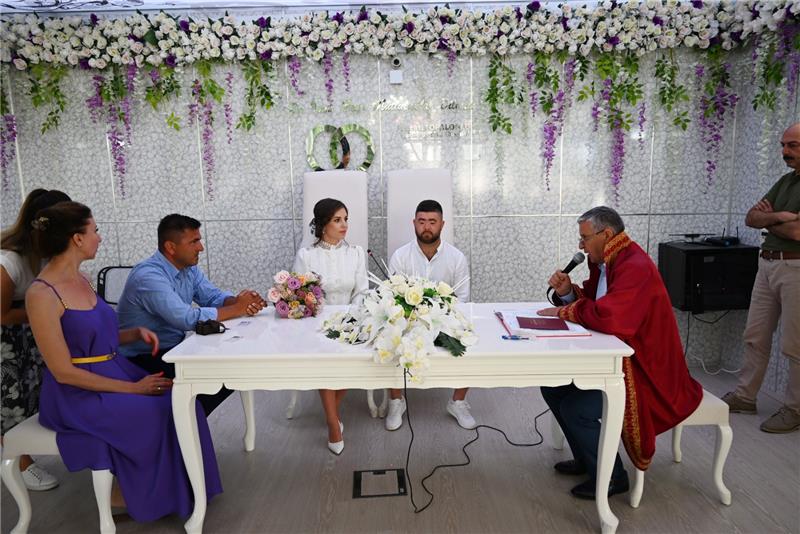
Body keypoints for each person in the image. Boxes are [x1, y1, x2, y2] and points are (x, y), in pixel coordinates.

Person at [25, 202, 222, 521]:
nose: (99, 237)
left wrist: (132, 334)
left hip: (113, 371)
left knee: (183, 401)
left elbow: (89, 334)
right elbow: (63, 372)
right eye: (95, 230)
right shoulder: (42, 294)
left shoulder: (82, 279)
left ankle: (182, 492)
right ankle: (135, 495)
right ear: (77, 238)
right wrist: (134, 389)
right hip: (75, 394)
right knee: (159, 410)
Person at [537, 206, 702, 500]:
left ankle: (613, 478)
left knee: (576, 409)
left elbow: (612, 318)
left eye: (585, 238)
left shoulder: (634, 266)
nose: (581, 246)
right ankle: (587, 459)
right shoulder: (610, 261)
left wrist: (565, 311)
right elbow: (597, 303)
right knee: (553, 387)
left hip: (644, 370)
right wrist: (566, 294)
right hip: (621, 358)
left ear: (607, 234)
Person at [116, 213, 266, 415]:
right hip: (141, 359)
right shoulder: (148, 276)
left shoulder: (188, 269)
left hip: (174, 349)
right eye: (194, 242)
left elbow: (212, 297)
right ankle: (182, 422)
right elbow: (186, 319)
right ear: (171, 247)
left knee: (234, 369)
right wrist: (239, 308)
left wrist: (241, 302)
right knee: (222, 375)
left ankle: (188, 420)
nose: (201, 248)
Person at [722, 123, 800, 433]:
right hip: (768, 264)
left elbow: (797, 232)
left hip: (795, 267)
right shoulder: (786, 181)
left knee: (795, 344)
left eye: (793, 146)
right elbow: (751, 218)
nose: (785, 152)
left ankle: (795, 409)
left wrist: (769, 220)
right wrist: (779, 217)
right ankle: (745, 396)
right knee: (755, 335)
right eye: (783, 145)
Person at [1, 188, 70, 491]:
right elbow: (1, 314)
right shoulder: (9, 261)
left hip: (27, 331)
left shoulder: (47, 256)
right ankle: (21, 463)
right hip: (6, 335)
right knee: (10, 397)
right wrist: (43, 312)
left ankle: (23, 450)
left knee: (34, 390)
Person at [384, 199, 472, 431]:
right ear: (414, 223)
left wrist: (442, 318)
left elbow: (462, 299)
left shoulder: (457, 258)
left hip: (445, 320)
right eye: (422, 221)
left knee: (469, 339)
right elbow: (393, 297)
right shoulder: (401, 256)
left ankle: (458, 402)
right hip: (409, 321)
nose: (427, 227)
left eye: (432, 222)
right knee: (391, 335)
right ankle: (396, 401)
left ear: (442, 224)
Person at [293, 198, 368, 454]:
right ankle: (333, 423)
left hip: (350, 321)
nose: (344, 225)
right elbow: (301, 295)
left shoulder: (355, 253)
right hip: (316, 324)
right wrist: (320, 317)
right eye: (337, 220)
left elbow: (362, 291)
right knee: (325, 358)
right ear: (324, 224)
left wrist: (351, 318)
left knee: (353, 358)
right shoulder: (306, 255)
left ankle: (331, 413)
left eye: (345, 219)